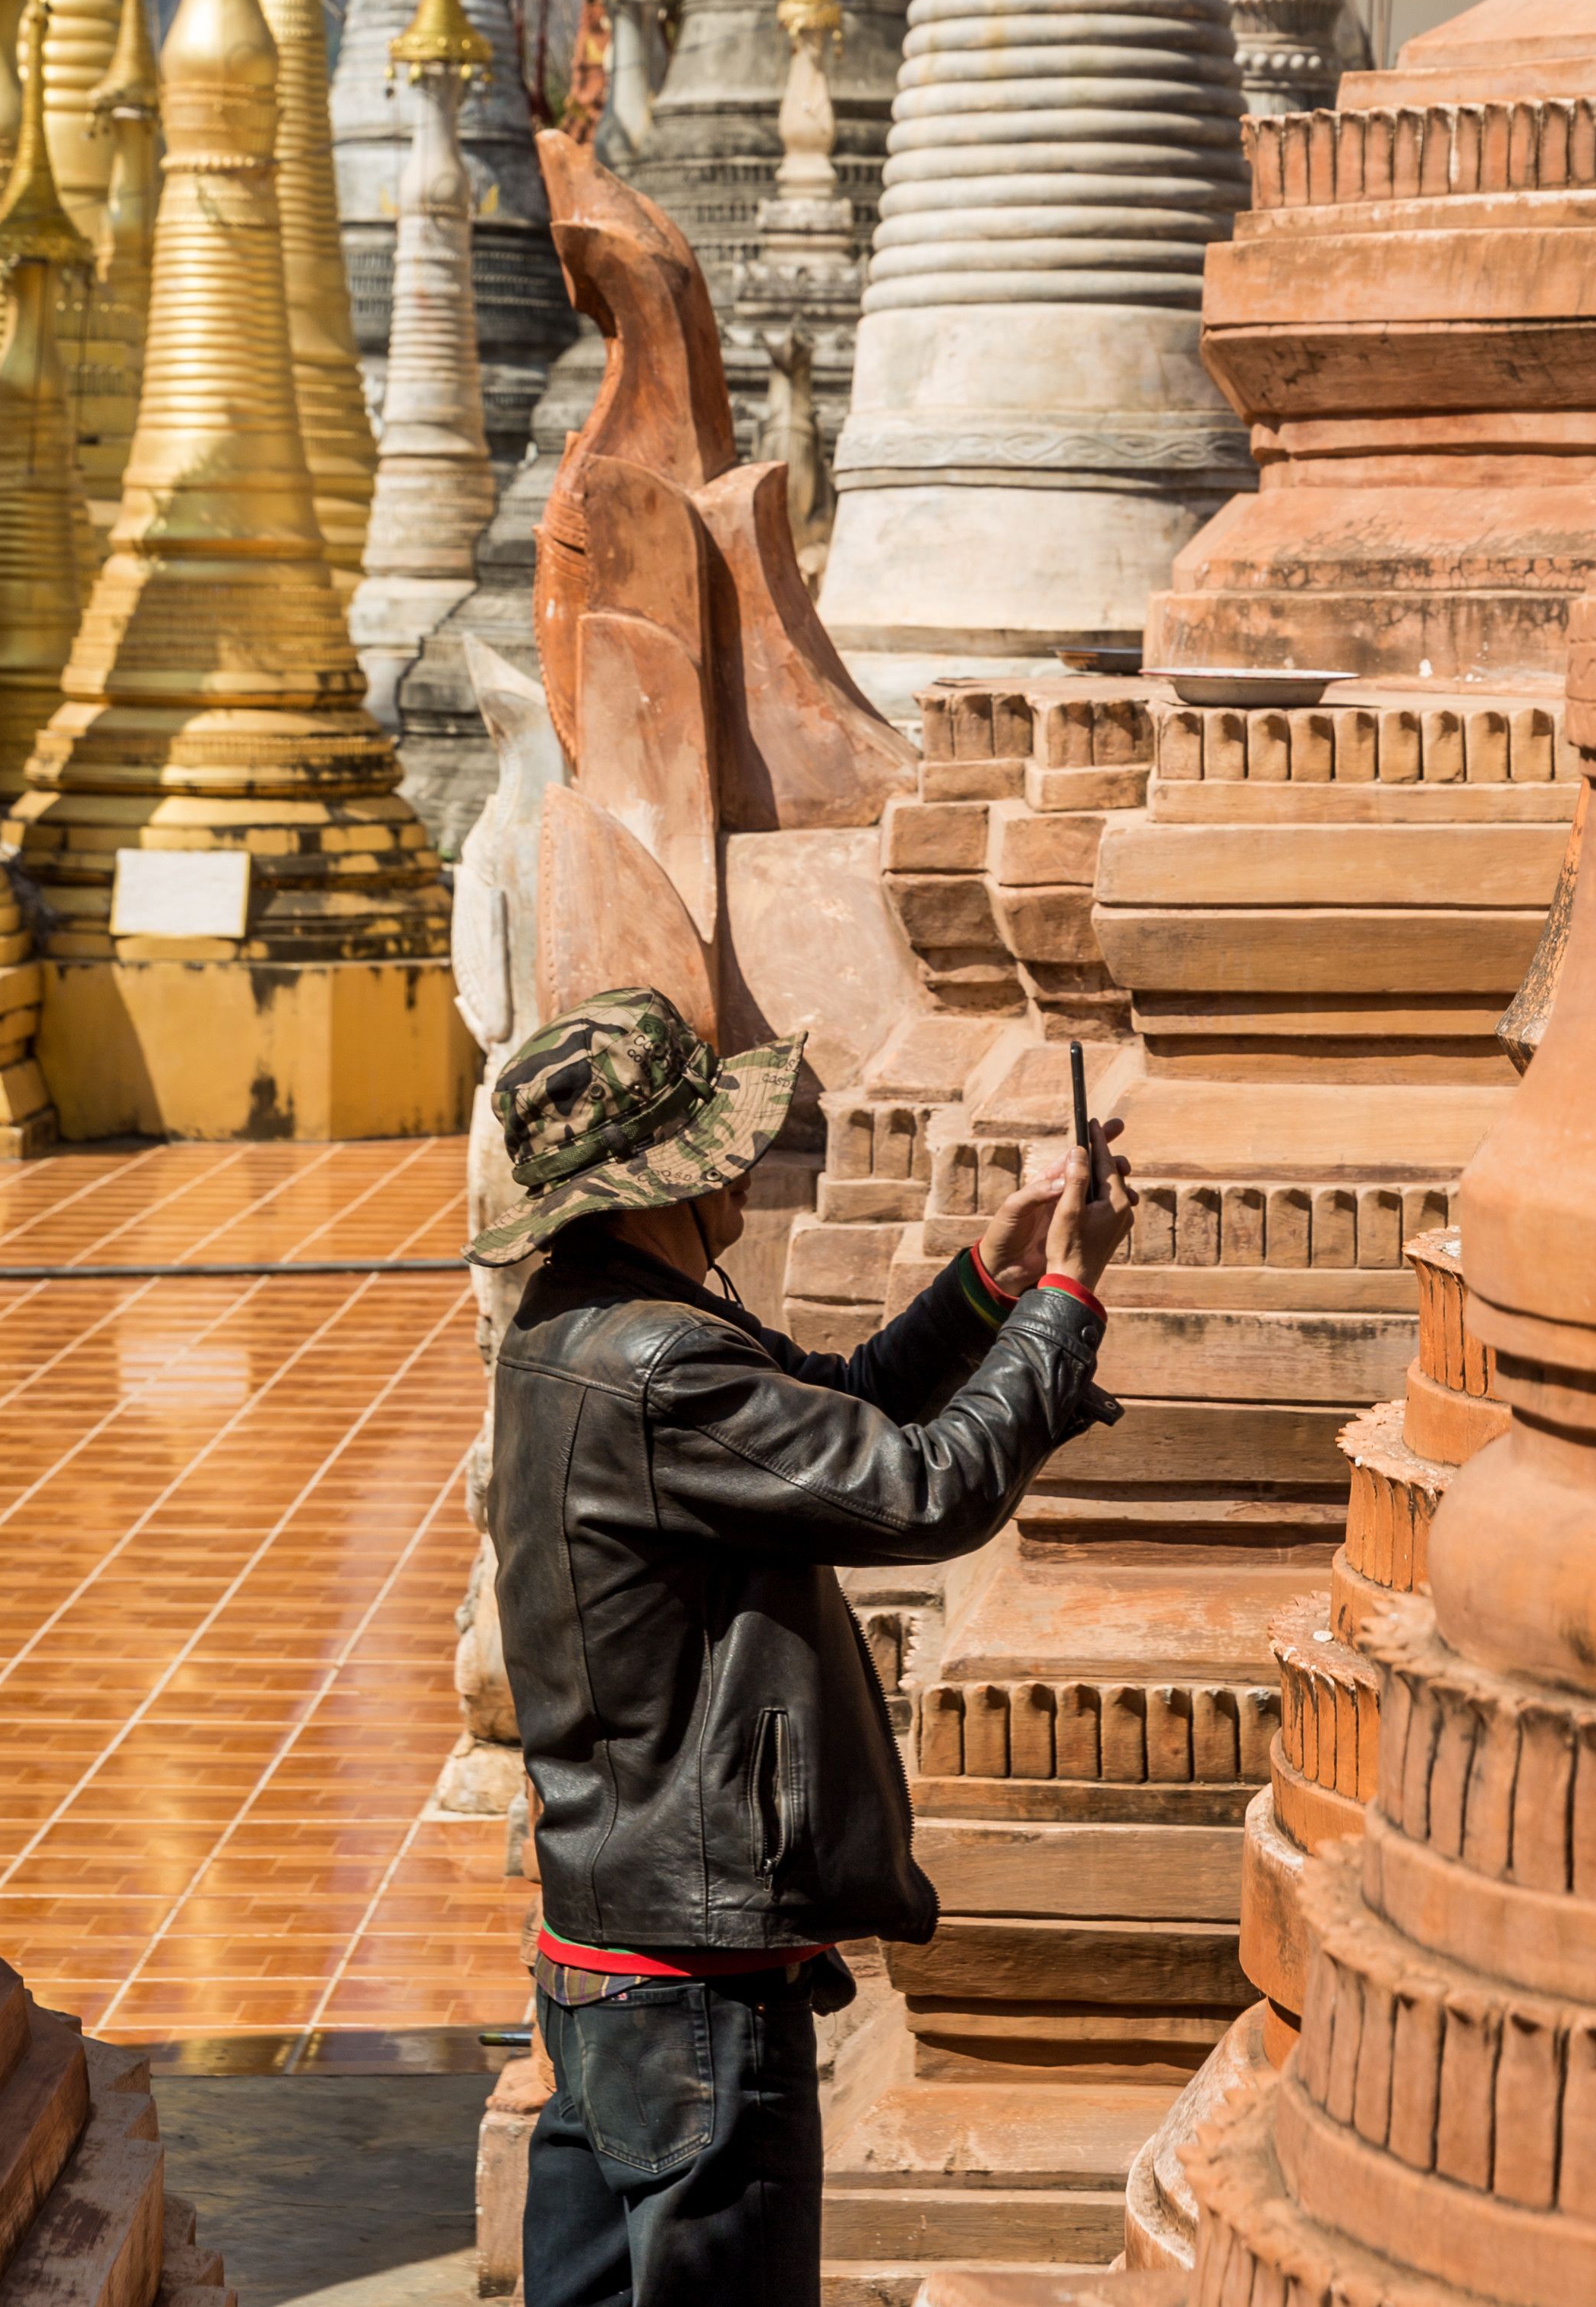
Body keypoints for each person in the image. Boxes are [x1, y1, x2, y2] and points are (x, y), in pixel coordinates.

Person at [476, 984, 1135, 2307]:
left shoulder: (577, 1326)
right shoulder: (662, 1363)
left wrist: (987, 1283)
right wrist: (1065, 1299)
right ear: (673, 1176)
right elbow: (923, 1489)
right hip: (695, 2001)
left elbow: (827, 1423)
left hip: (609, 1957)